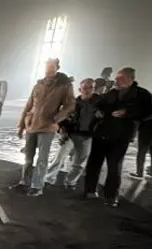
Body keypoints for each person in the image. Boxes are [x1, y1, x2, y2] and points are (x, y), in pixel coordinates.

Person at [84, 67, 152, 207]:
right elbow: (101, 105)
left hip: (121, 136)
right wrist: (99, 111)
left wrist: (127, 113)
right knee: (94, 163)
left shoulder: (142, 94)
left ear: (130, 79)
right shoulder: (113, 92)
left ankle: (111, 196)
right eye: (116, 78)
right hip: (102, 133)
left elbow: (147, 112)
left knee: (114, 166)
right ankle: (90, 190)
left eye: (120, 78)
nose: (116, 80)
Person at [11, 58, 75, 197]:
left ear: (57, 67)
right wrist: (21, 125)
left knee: (42, 158)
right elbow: (29, 105)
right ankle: (24, 182)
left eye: (51, 66)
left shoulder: (64, 85)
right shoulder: (39, 85)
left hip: (47, 126)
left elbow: (71, 104)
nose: (48, 69)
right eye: (47, 66)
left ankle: (37, 186)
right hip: (31, 124)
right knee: (28, 157)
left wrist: (58, 118)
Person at [44, 78, 100, 190]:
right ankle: (49, 179)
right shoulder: (72, 103)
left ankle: (70, 182)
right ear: (80, 89)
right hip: (70, 134)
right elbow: (61, 119)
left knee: (80, 162)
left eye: (91, 88)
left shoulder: (100, 104)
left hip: (86, 136)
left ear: (94, 89)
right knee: (59, 157)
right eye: (85, 88)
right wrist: (61, 131)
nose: (88, 90)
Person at [131, 113, 152, 179]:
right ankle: (148, 172)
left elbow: (139, 118)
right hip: (145, 130)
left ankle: (139, 172)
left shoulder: (146, 104)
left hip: (145, 131)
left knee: (141, 153)